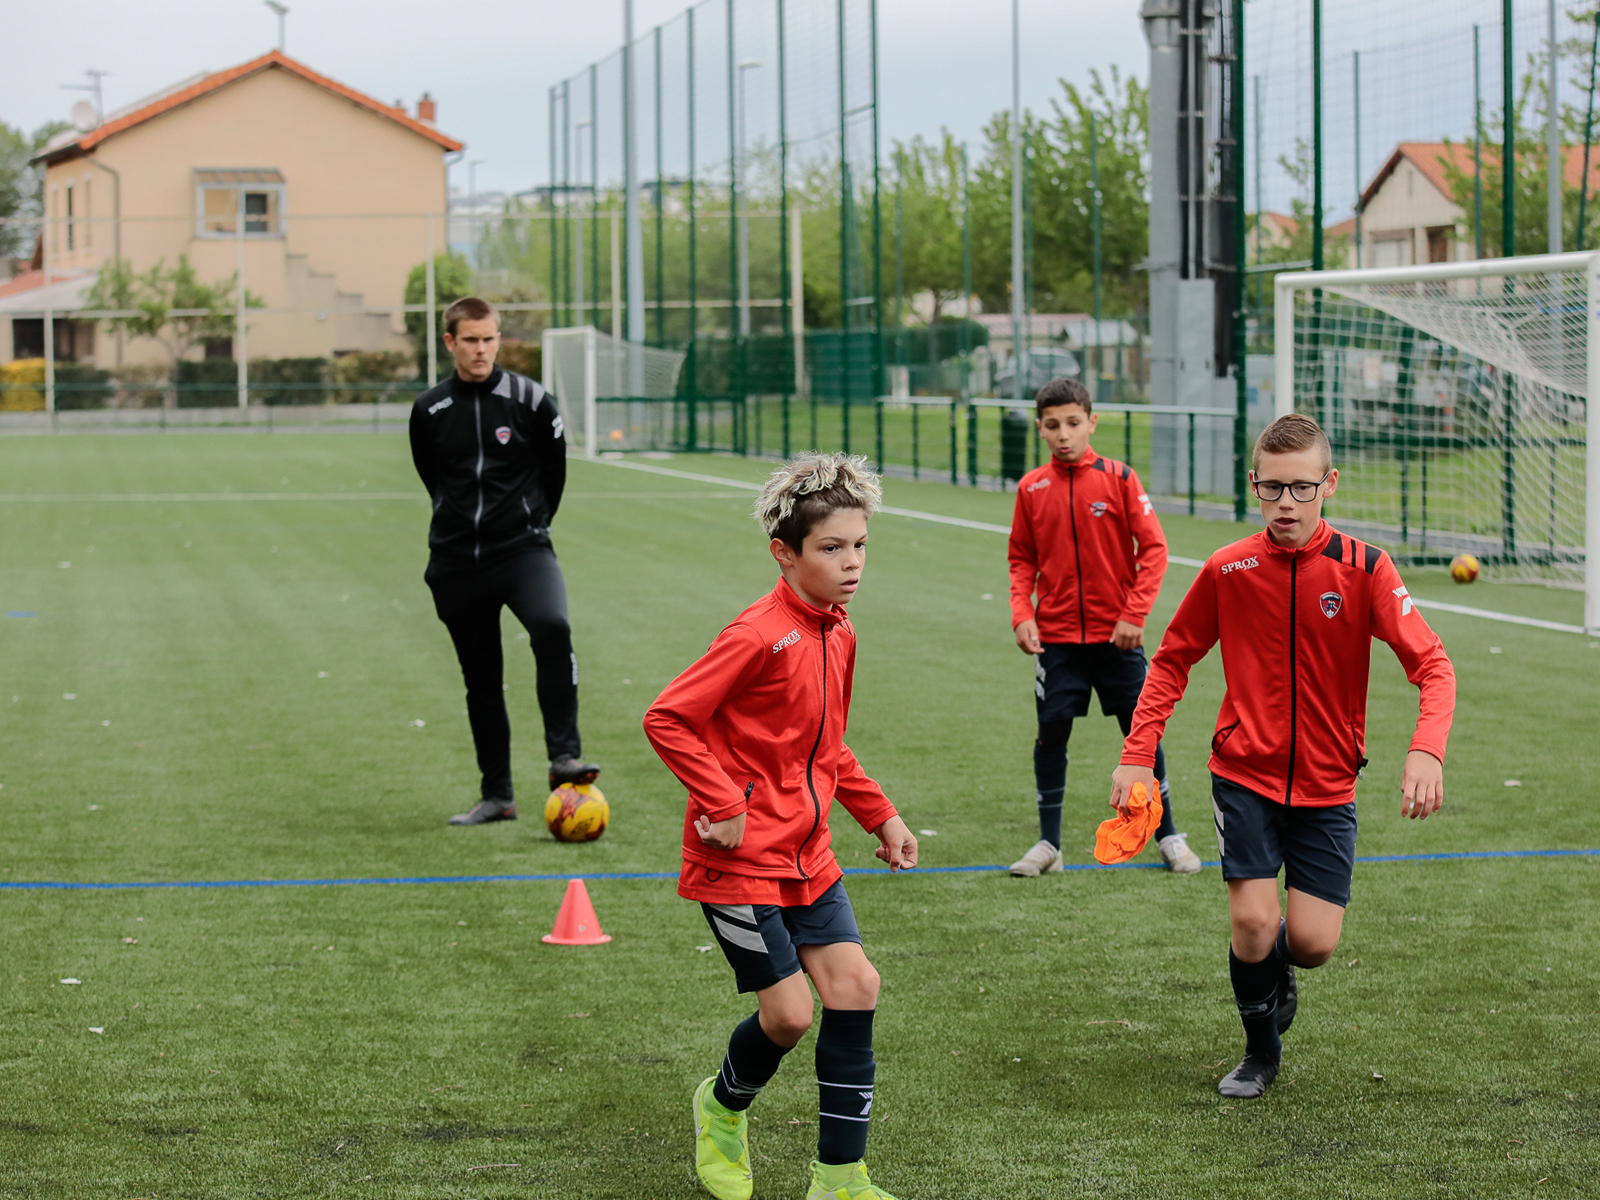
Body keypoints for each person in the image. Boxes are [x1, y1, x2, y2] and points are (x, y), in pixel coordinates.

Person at [1110, 413, 1456, 1099]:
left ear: (1331, 483)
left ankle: (1278, 964)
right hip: (1244, 776)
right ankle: (1259, 1051)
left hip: (1329, 786)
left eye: (1302, 488)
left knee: (1314, 943)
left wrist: (1427, 750)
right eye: (1273, 489)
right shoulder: (1228, 568)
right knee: (1252, 920)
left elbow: (1434, 665)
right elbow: (1173, 660)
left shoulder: (1364, 568)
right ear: (1254, 487)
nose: (1287, 504)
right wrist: (1136, 753)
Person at [643, 452, 917, 1200]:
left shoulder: (840, 631)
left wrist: (880, 813)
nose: (852, 562)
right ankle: (720, 1109)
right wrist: (722, 802)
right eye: (832, 549)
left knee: (857, 985)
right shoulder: (758, 633)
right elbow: (667, 717)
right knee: (790, 1016)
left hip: (808, 855)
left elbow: (825, 747)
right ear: (785, 554)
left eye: (860, 545)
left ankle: (839, 1178)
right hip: (736, 864)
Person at [409, 296, 599, 826]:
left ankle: (564, 756)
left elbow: (553, 474)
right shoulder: (429, 409)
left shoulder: (533, 400)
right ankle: (498, 796)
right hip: (454, 563)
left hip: (522, 551)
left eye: (489, 338)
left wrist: (529, 523)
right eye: (470, 339)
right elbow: (432, 478)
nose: (481, 349)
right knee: (482, 679)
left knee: (552, 625)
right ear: (450, 342)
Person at [1006, 377, 1201, 877]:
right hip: (1056, 641)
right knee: (1051, 736)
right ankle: (1049, 845)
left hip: (1119, 639)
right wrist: (1022, 613)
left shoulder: (1119, 479)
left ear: (1092, 422)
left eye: (1073, 423)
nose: (1064, 434)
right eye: (1053, 425)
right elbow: (1021, 559)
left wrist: (1134, 614)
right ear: (1041, 429)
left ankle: (1168, 835)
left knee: (1142, 737)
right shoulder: (1031, 488)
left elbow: (1154, 549)